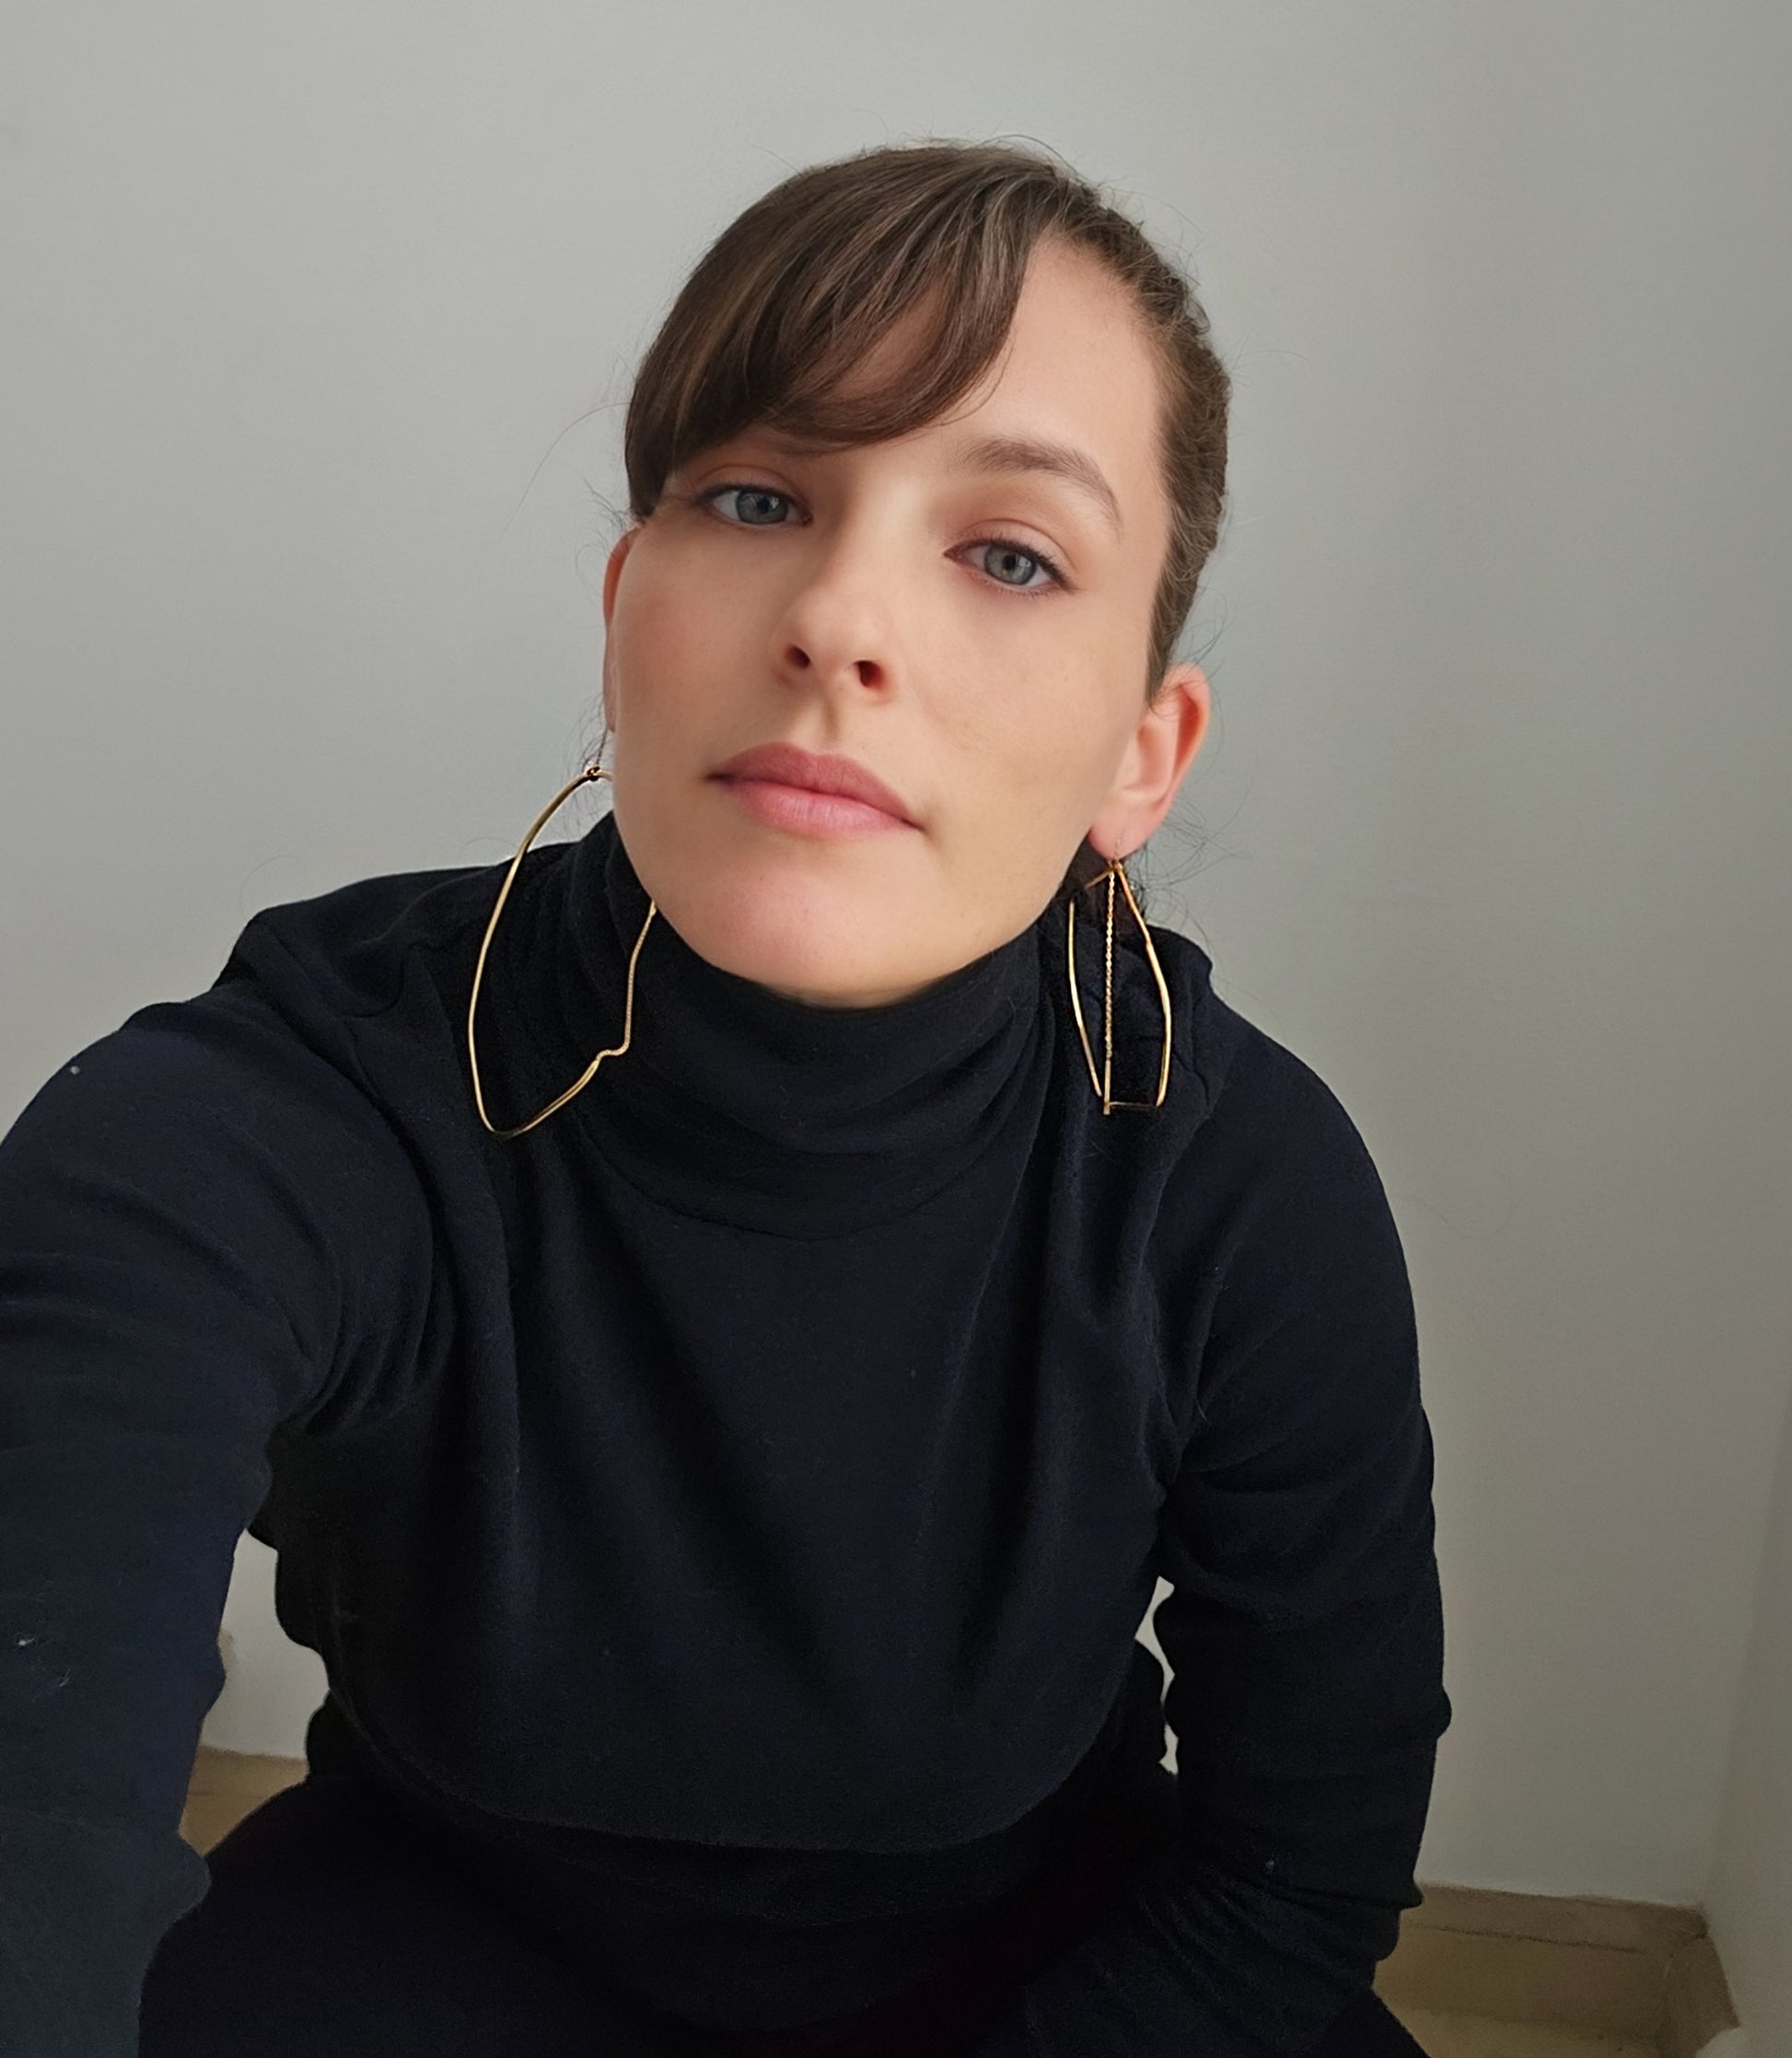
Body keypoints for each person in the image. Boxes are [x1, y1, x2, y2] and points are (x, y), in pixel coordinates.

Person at [0, 139, 1450, 2057]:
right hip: (429, 1949)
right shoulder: (284, 1108)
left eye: (1009, 551)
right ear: (626, 608)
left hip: (1060, 1978)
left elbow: (1298, 1868)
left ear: (1141, 750)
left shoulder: (1235, 1185)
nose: (840, 617)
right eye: (760, 495)